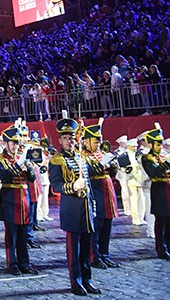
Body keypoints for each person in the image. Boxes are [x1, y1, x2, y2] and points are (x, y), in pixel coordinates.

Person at [49, 117, 101, 296]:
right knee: (74, 250)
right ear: (60, 140)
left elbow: (88, 184)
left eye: (72, 138)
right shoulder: (57, 160)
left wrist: (92, 203)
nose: (69, 141)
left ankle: (87, 279)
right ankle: (76, 281)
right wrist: (73, 186)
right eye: (65, 138)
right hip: (71, 209)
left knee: (87, 249)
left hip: (86, 208)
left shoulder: (82, 158)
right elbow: (55, 185)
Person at [0, 124, 38, 276]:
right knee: (11, 235)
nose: (15, 146)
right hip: (10, 198)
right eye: (12, 142)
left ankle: (24, 263)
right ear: (5, 143)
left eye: (17, 143)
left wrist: (30, 166)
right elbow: (4, 175)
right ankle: (12, 263)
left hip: (24, 199)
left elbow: (31, 179)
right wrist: (20, 163)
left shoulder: (20, 158)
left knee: (23, 234)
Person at [81, 120, 121, 269]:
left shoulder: (101, 154)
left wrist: (113, 166)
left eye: (99, 142)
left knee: (107, 227)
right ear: (87, 142)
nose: (98, 144)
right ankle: (94, 256)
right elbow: (90, 172)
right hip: (96, 192)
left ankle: (105, 254)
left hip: (107, 193)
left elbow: (111, 173)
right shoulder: (84, 156)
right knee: (96, 227)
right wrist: (103, 163)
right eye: (95, 142)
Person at [140, 123, 170, 260]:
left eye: (161, 144)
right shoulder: (147, 158)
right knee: (160, 222)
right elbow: (154, 173)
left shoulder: (163, 156)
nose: (160, 147)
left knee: (169, 222)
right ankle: (161, 249)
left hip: (169, 189)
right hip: (159, 191)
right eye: (157, 144)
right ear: (151, 145)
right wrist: (168, 163)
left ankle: (169, 247)